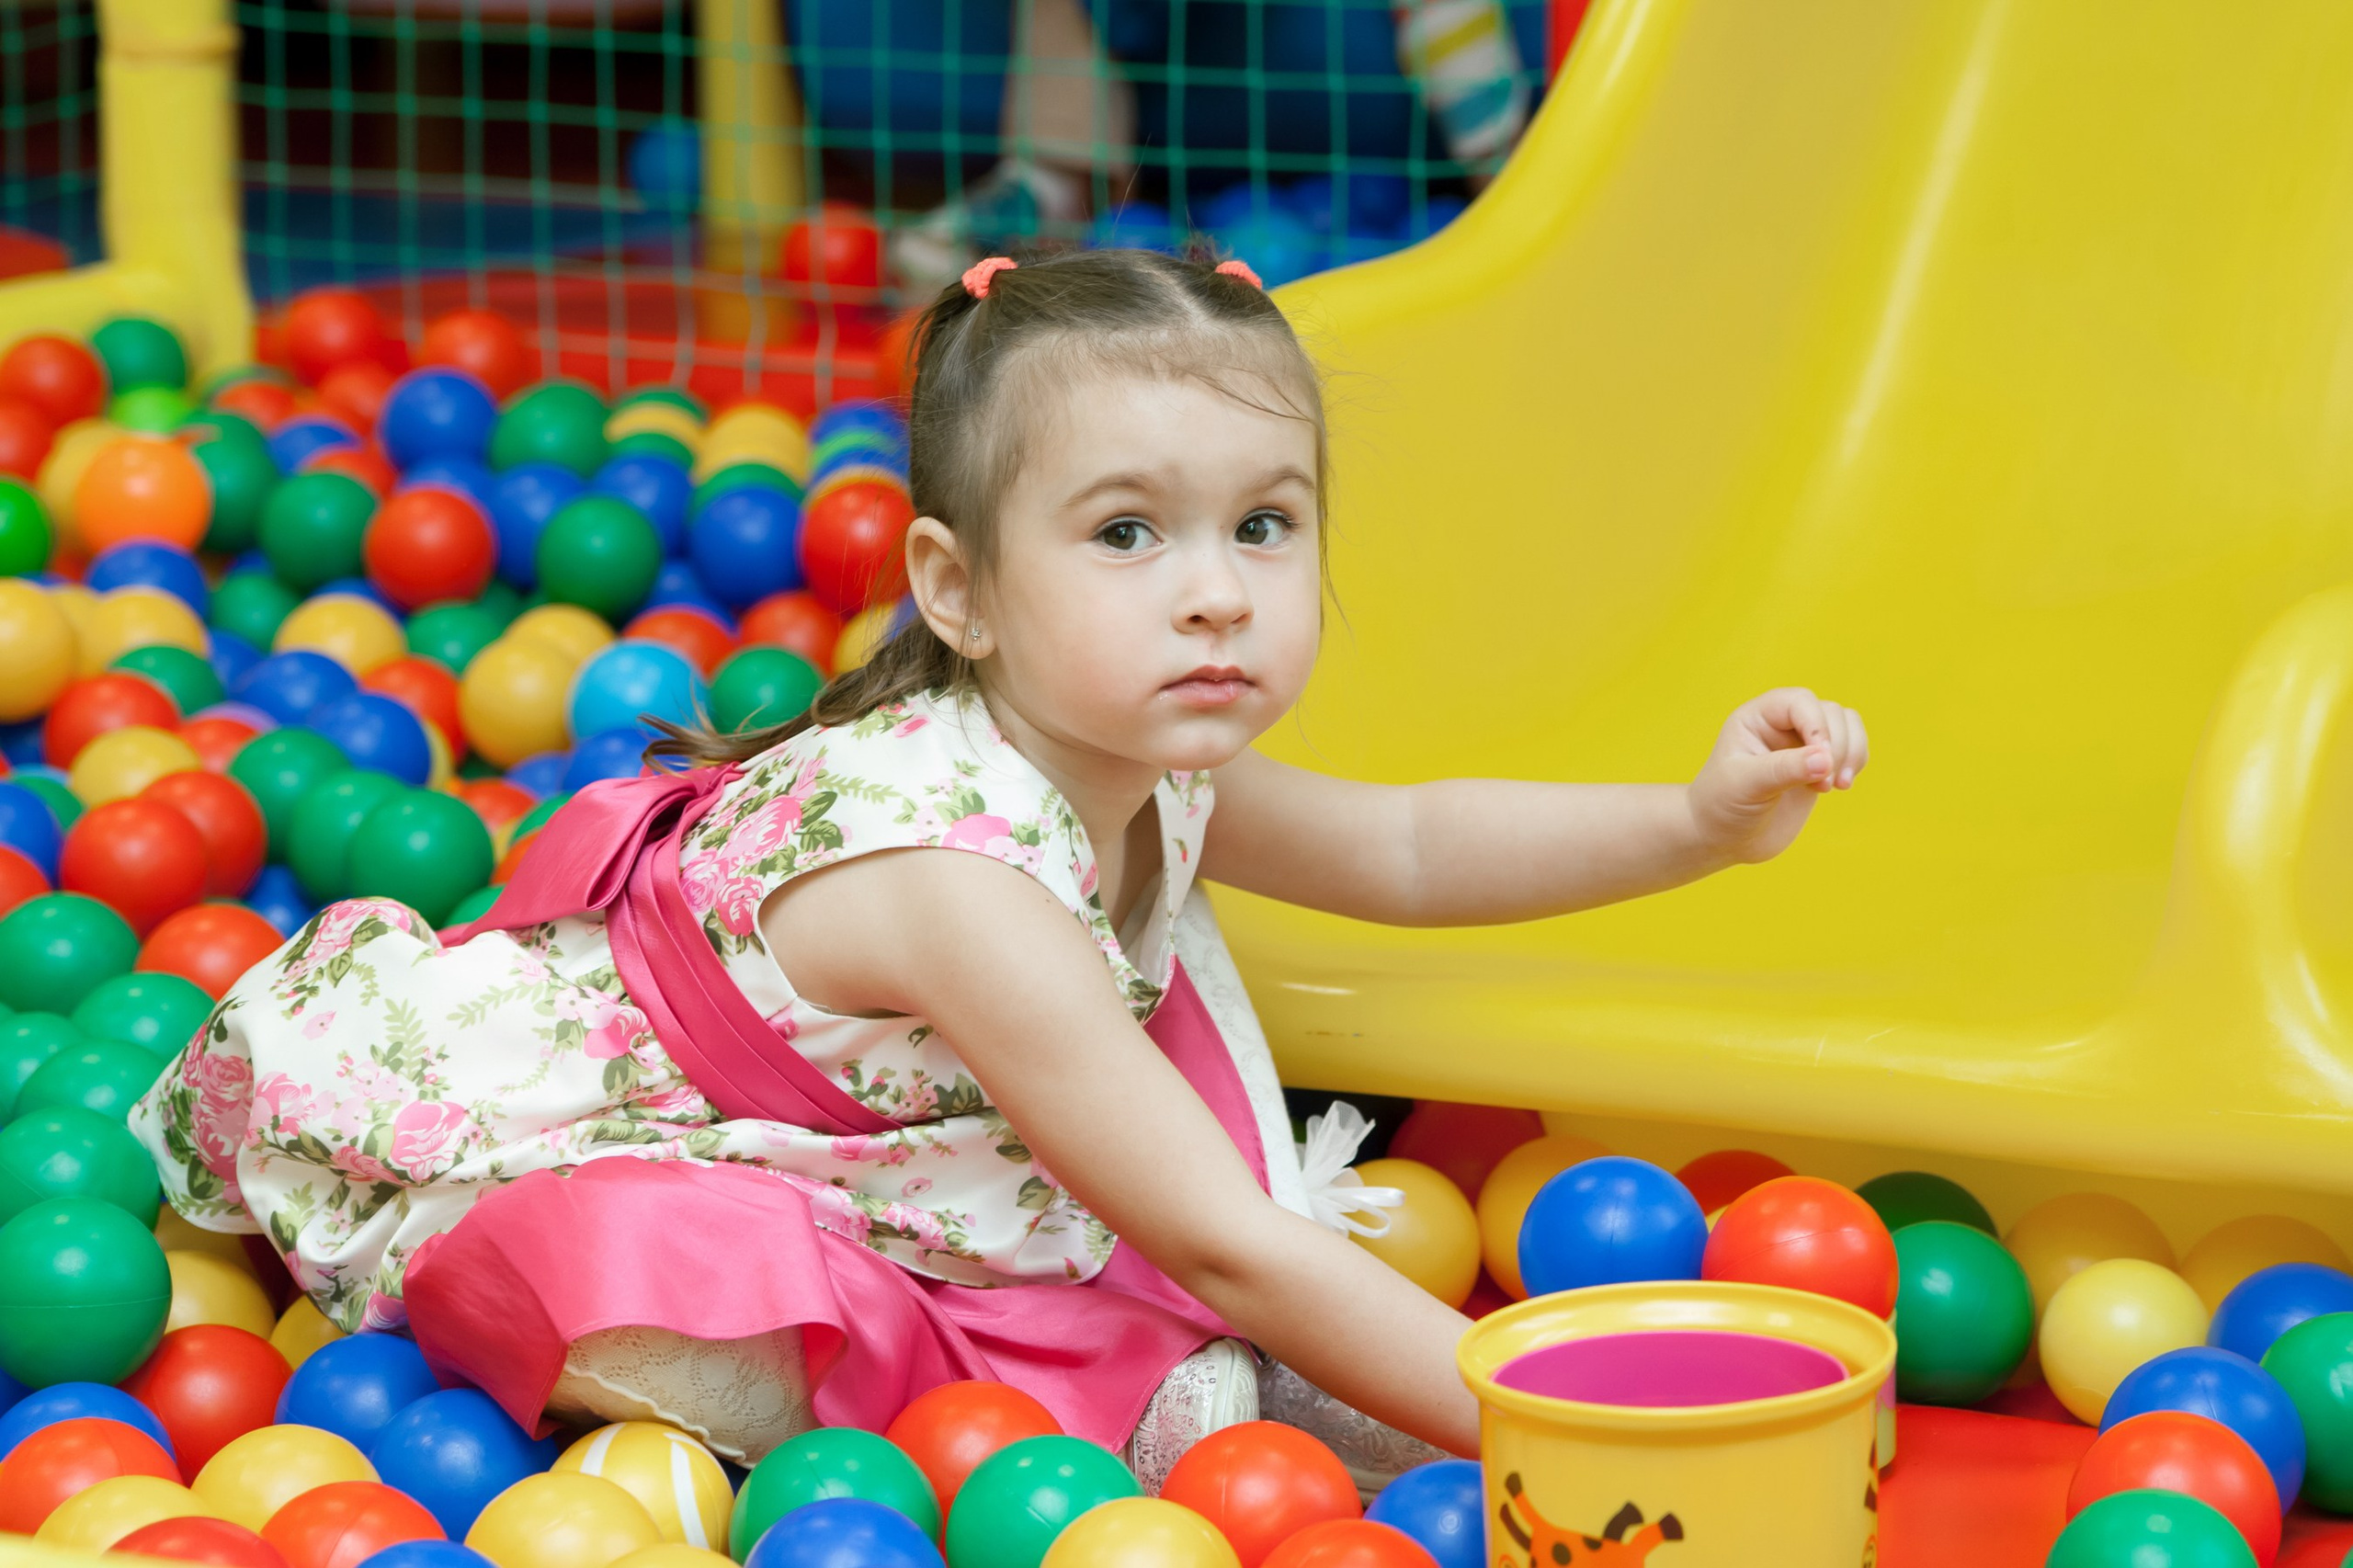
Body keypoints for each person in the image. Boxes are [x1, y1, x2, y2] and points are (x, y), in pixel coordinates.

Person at [130, 247, 1869, 1491]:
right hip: (629, 1128)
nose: (1217, 591)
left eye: (1265, 524)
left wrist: (1695, 817)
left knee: (1189, 1278)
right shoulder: (963, 877)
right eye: (1128, 532)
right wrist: (1553, 1428)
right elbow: (1230, 1240)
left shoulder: (1145, 747)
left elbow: (1406, 841)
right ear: (955, 590)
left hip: (912, 1133)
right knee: (709, 1326)